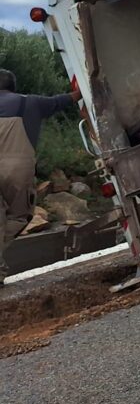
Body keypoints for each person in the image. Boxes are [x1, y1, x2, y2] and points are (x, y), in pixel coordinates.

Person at [0, 69, 79, 281]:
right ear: (13, 87)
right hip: (17, 168)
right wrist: (81, 87)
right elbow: (64, 100)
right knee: (18, 216)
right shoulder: (31, 103)